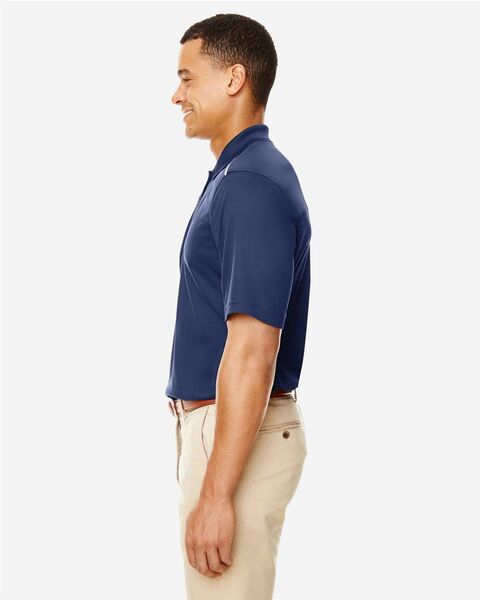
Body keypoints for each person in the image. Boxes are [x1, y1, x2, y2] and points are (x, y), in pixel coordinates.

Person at [166, 13, 312, 600]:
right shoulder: (237, 174)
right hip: (224, 432)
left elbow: (254, 348)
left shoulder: (251, 182)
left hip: (235, 436)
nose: (176, 95)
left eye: (187, 77)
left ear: (234, 79)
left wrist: (217, 494)